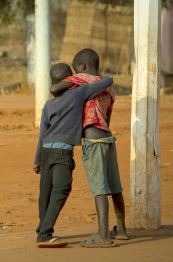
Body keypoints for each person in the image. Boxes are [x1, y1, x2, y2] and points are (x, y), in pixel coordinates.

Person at [51, 48, 129, 248]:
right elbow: (107, 118)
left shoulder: (81, 78)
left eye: (75, 69)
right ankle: (121, 229)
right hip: (108, 139)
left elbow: (54, 89)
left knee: (99, 188)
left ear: (82, 67)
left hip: (93, 142)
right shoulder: (109, 87)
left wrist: (70, 83)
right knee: (115, 186)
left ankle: (102, 235)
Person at [34, 62, 114, 248]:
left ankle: (42, 230)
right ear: (71, 79)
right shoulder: (78, 94)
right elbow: (107, 82)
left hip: (46, 151)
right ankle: (45, 235)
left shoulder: (48, 104)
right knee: (62, 189)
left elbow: (41, 133)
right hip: (62, 152)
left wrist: (37, 160)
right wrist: (94, 78)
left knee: (45, 191)